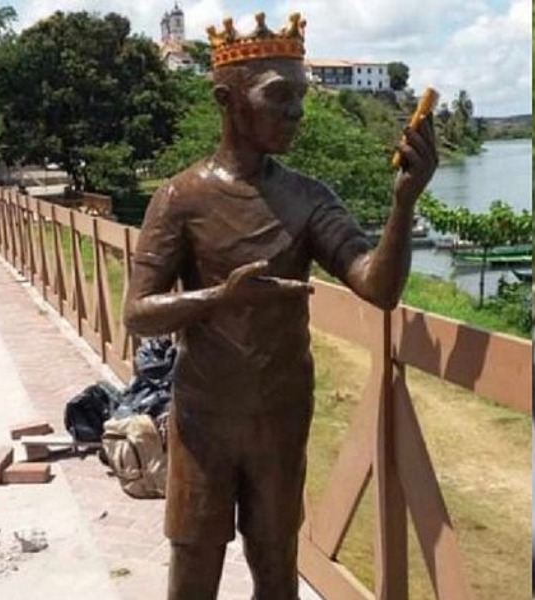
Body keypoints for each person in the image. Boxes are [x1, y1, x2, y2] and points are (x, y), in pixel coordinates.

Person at [122, 12, 438, 600]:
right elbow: (138, 312)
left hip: (281, 415)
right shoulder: (181, 198)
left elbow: (378, 286)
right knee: (193, 566)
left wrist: (403, 204)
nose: (296, 111)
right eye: (278, 96)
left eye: (301, 96)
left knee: (275, 564)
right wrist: (219, 298)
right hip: (202, 418)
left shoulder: (308, 199)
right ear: (227, 99)